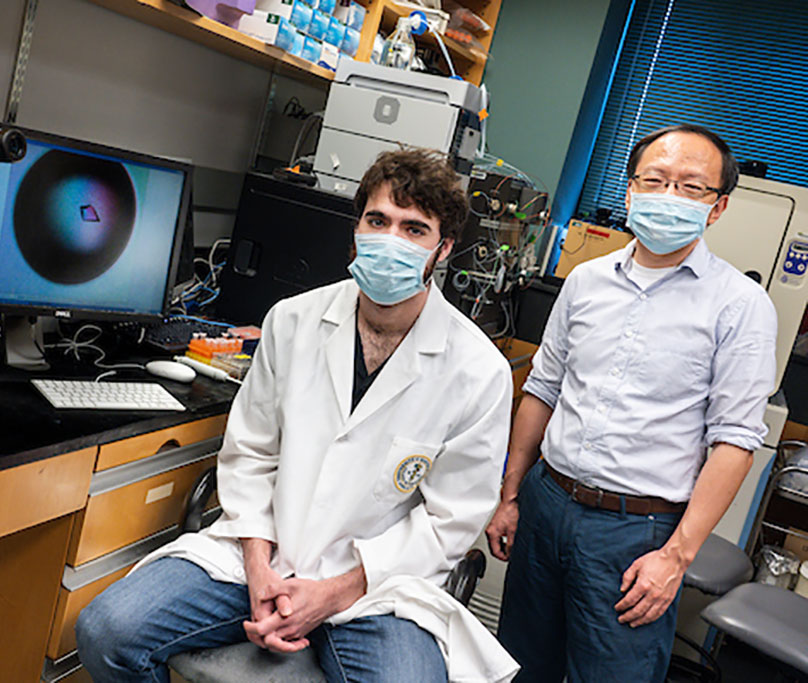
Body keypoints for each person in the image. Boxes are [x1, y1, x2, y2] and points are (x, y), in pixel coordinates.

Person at [75, 148, 520, 683]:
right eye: (377, 221)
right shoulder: (291, 322)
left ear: (442, 248)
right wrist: (260, 571)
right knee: (106, 631)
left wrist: (332, 592)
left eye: (414, 229)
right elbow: (250, 454)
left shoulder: (478, 371)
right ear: (356, 230)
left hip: (378, 586)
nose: (390, 241)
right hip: (259, 554)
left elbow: (450, 521)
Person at [486, 124, 777, 681]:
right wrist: (511, 493)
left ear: (716, 209)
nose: (669, 197)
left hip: (635, 531)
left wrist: (677, 556)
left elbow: (735, 442)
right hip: (546, 503)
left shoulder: (740, 306)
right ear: (630, 190)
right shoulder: (586, 280)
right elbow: (543, 390)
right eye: (655, 180)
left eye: (691, 188)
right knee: (520, 664)